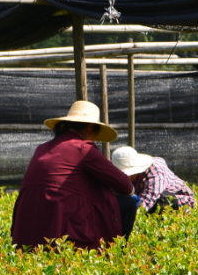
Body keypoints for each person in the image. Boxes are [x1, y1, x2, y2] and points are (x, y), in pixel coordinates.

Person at [11, 100, 135, 251]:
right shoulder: (83, 148)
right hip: (60, 216)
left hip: (28, 222)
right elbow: (125, 185)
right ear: (90, 127)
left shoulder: (42, 148)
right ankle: (118, 253)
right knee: (127, 203)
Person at [111, 145, 196, 234]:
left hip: (178, 200)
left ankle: (163, 230)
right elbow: (113, 195)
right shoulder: (122, 177)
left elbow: (146, 202)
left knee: (162, 201)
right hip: (147, 200)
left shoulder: (155, 173)